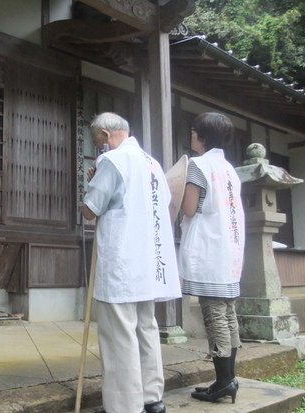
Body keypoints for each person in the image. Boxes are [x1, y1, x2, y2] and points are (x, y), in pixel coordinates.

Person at [82, 112, 181, 413]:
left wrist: (93, 184)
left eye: (99, 141)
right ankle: (153, 399)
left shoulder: (113, 161)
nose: (100, 147)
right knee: (146, 328)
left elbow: (89, 210)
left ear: (107, 134)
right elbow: (162, 204)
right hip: (148, 262)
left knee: (119, 336)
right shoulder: (152, 164)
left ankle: (125, 407)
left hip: (122, 263)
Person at [178, 112, 245, 404]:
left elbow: (190, 208)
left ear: (202, 137)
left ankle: (224, 381)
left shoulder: (198, 165)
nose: (191, 136)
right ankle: (227, 379)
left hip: (209, 249)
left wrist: (174, 193)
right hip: (229, 249)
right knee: (227, 312)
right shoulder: (228, 168)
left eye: (194, 132)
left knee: (214, 313)